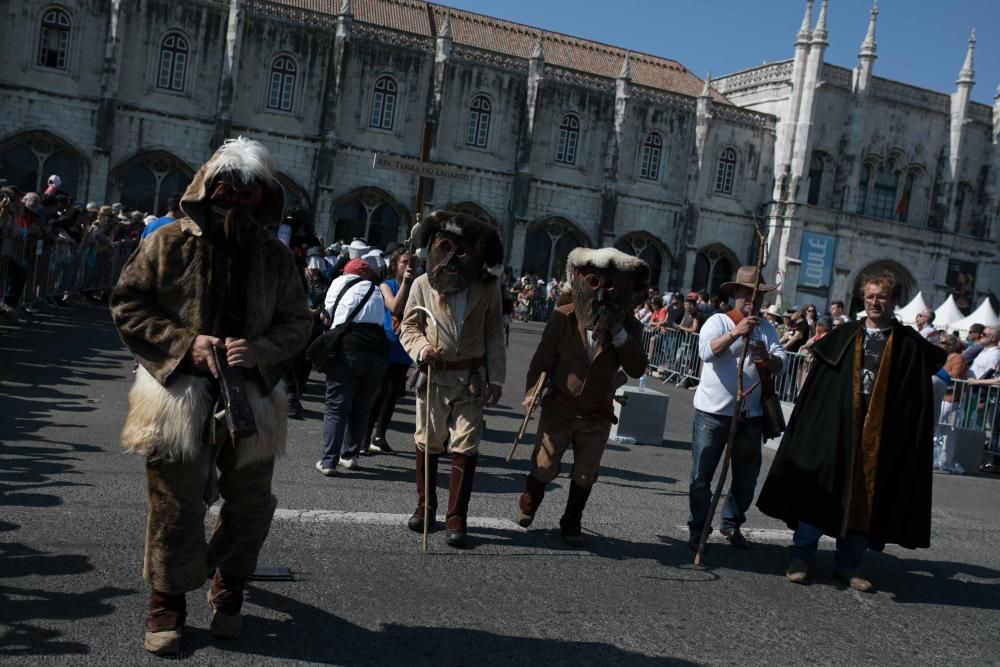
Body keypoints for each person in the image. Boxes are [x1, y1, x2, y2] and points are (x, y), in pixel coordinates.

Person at [110, 137, 312, 654]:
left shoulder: (274, 257)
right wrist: (184, 344)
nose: (234, 208)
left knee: (250, 503)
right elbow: (127, 305)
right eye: (226, 194)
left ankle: (229, 584)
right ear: (206, 190)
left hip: (253, 397)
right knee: (175, 503)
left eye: (248, 198)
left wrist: (262, 351)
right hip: (178, 393)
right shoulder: (167, 243)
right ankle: (167, 600)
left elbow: (298, 323)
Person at [757, 272, 946, 592]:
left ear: (894, 301)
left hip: (879, 439)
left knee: (866, 500)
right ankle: (801, 557)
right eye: (870, 296)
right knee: (818, 490)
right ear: (863, 298)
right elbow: (818, 392)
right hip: (834, 432)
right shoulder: (843, 337)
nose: (874, 302)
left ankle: (849, 565)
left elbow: (915, 400)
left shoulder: (908, 345)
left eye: (882, 297)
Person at [515, 248, 649, 545]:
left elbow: (637, 368)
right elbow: (542, 360)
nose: (601, 296)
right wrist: (531, 392)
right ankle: (530, 497)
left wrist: (619, 334)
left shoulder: (630, 327)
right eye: (595, 284)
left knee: (586, 471)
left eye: (611, 287)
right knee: (545, 465)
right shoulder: (563, 317)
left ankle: (571, 520)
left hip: (597, 412)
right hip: (560, 406)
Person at [399, 210, 506, 548]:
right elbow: (408, 326)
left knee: (465, 443)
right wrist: (420, 348)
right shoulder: (421, 284)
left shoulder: (487, 288)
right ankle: (425, 507)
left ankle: (456, 517)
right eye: (444, 248)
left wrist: (498, 378)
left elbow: (494, 333)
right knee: (428, 438)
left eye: (461, 252)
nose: (451, 259)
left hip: (471, 377)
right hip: (433, 376)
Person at [687, 266, 785, 551]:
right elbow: (706, 352)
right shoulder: (718, 321)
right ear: (736, 294)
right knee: (701, 477)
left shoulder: (766, 328)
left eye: (757, 295)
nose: (752, 300)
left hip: (750, 417)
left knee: (745, 479)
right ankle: (698, 528)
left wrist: (767, 358)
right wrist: (735, 334)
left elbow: (781, 363)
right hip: (712, 415)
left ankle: (731, 524)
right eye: (746, 294)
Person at [316, 254, 389, 472]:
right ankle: (350, 456)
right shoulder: (375, 289)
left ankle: (328, 461)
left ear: (348, 272)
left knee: (336, 407)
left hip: (349, 348)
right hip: (378, 351)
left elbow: (326, 316)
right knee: (361, 406)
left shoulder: (339, 282)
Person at [364, 247, 416, 454]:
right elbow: (394, 307)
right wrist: (405, 284)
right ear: (395, 265)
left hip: (404, 346)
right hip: (386, 343)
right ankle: (364, 437)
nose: (409, 266)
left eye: (412, 262)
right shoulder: (387, 285)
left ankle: (379, 436)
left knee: (393, 394)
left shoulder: (418, 286)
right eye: (404, 262)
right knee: (378, 392)